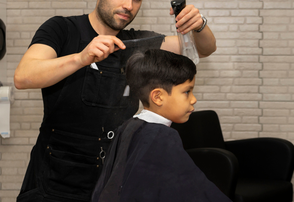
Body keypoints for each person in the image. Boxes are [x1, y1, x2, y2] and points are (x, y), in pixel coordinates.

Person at [13, 0, 216, 201]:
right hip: (54, 182)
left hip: (109, 181)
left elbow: (203, 49)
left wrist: (199, 25)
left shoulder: (137, 43)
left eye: (136, 0)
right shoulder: (62, 29)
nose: (129, 5)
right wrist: (80, 58)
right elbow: (23, 76)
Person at [91, 49, 231, 202]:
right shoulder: (162, 137)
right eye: (187, 92)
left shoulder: (129, 126)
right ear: (158, 97)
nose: (193, 99)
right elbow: (194, 189)